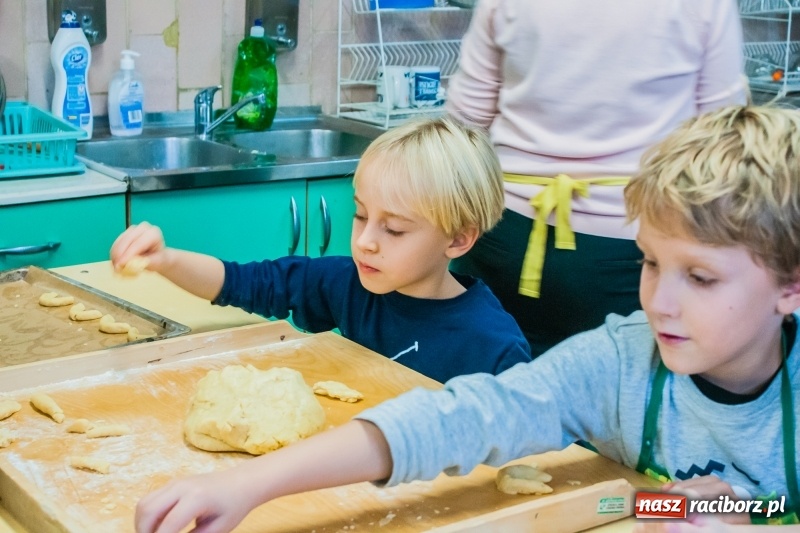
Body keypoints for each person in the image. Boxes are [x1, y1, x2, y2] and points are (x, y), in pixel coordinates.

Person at [133, 105, 800, 533]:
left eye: (701, 278)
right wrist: (247, 483)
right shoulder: (616, 365)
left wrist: (743, 512)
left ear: (790, 286)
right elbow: (454, 420)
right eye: (650, 263)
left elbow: (747, 506)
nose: (659, 302)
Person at [110, 117, 531, 383]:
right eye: (361, 215)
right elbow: (243, 282)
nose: (365, 241)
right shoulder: (348, 283)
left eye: (394, 229)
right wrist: (166, 260)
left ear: (458, 239)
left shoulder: (494, 349)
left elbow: (530, 459)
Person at [446, 0, 749, 355]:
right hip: (631, 242)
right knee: (615, 383)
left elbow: (465, 119)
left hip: (503, 231)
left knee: (485, 378)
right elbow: (720, 133)